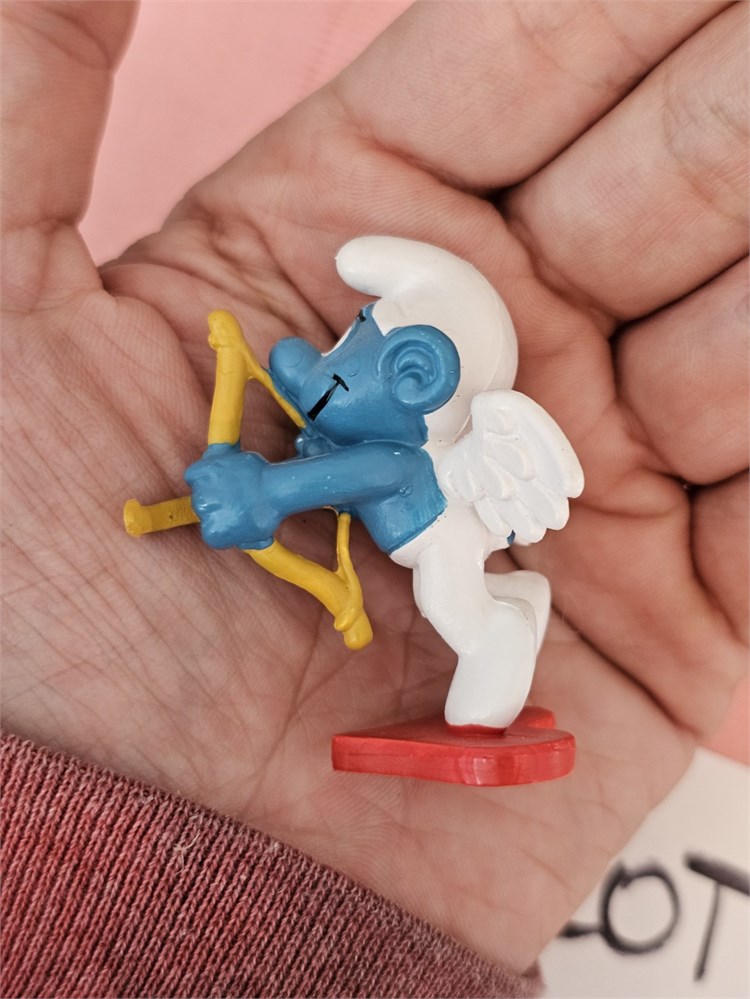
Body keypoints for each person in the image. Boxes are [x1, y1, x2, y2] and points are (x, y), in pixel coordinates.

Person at [2, 2, 746, 996]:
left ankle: (498, 648)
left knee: (452, 604)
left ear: (414, 383)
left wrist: (267, 489)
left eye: (355, 357)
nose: (330, 364)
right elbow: (314, 418)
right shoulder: (385, 437)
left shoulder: (399, 469)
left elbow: (330, 482)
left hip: (437, 543)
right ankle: (516, 613)